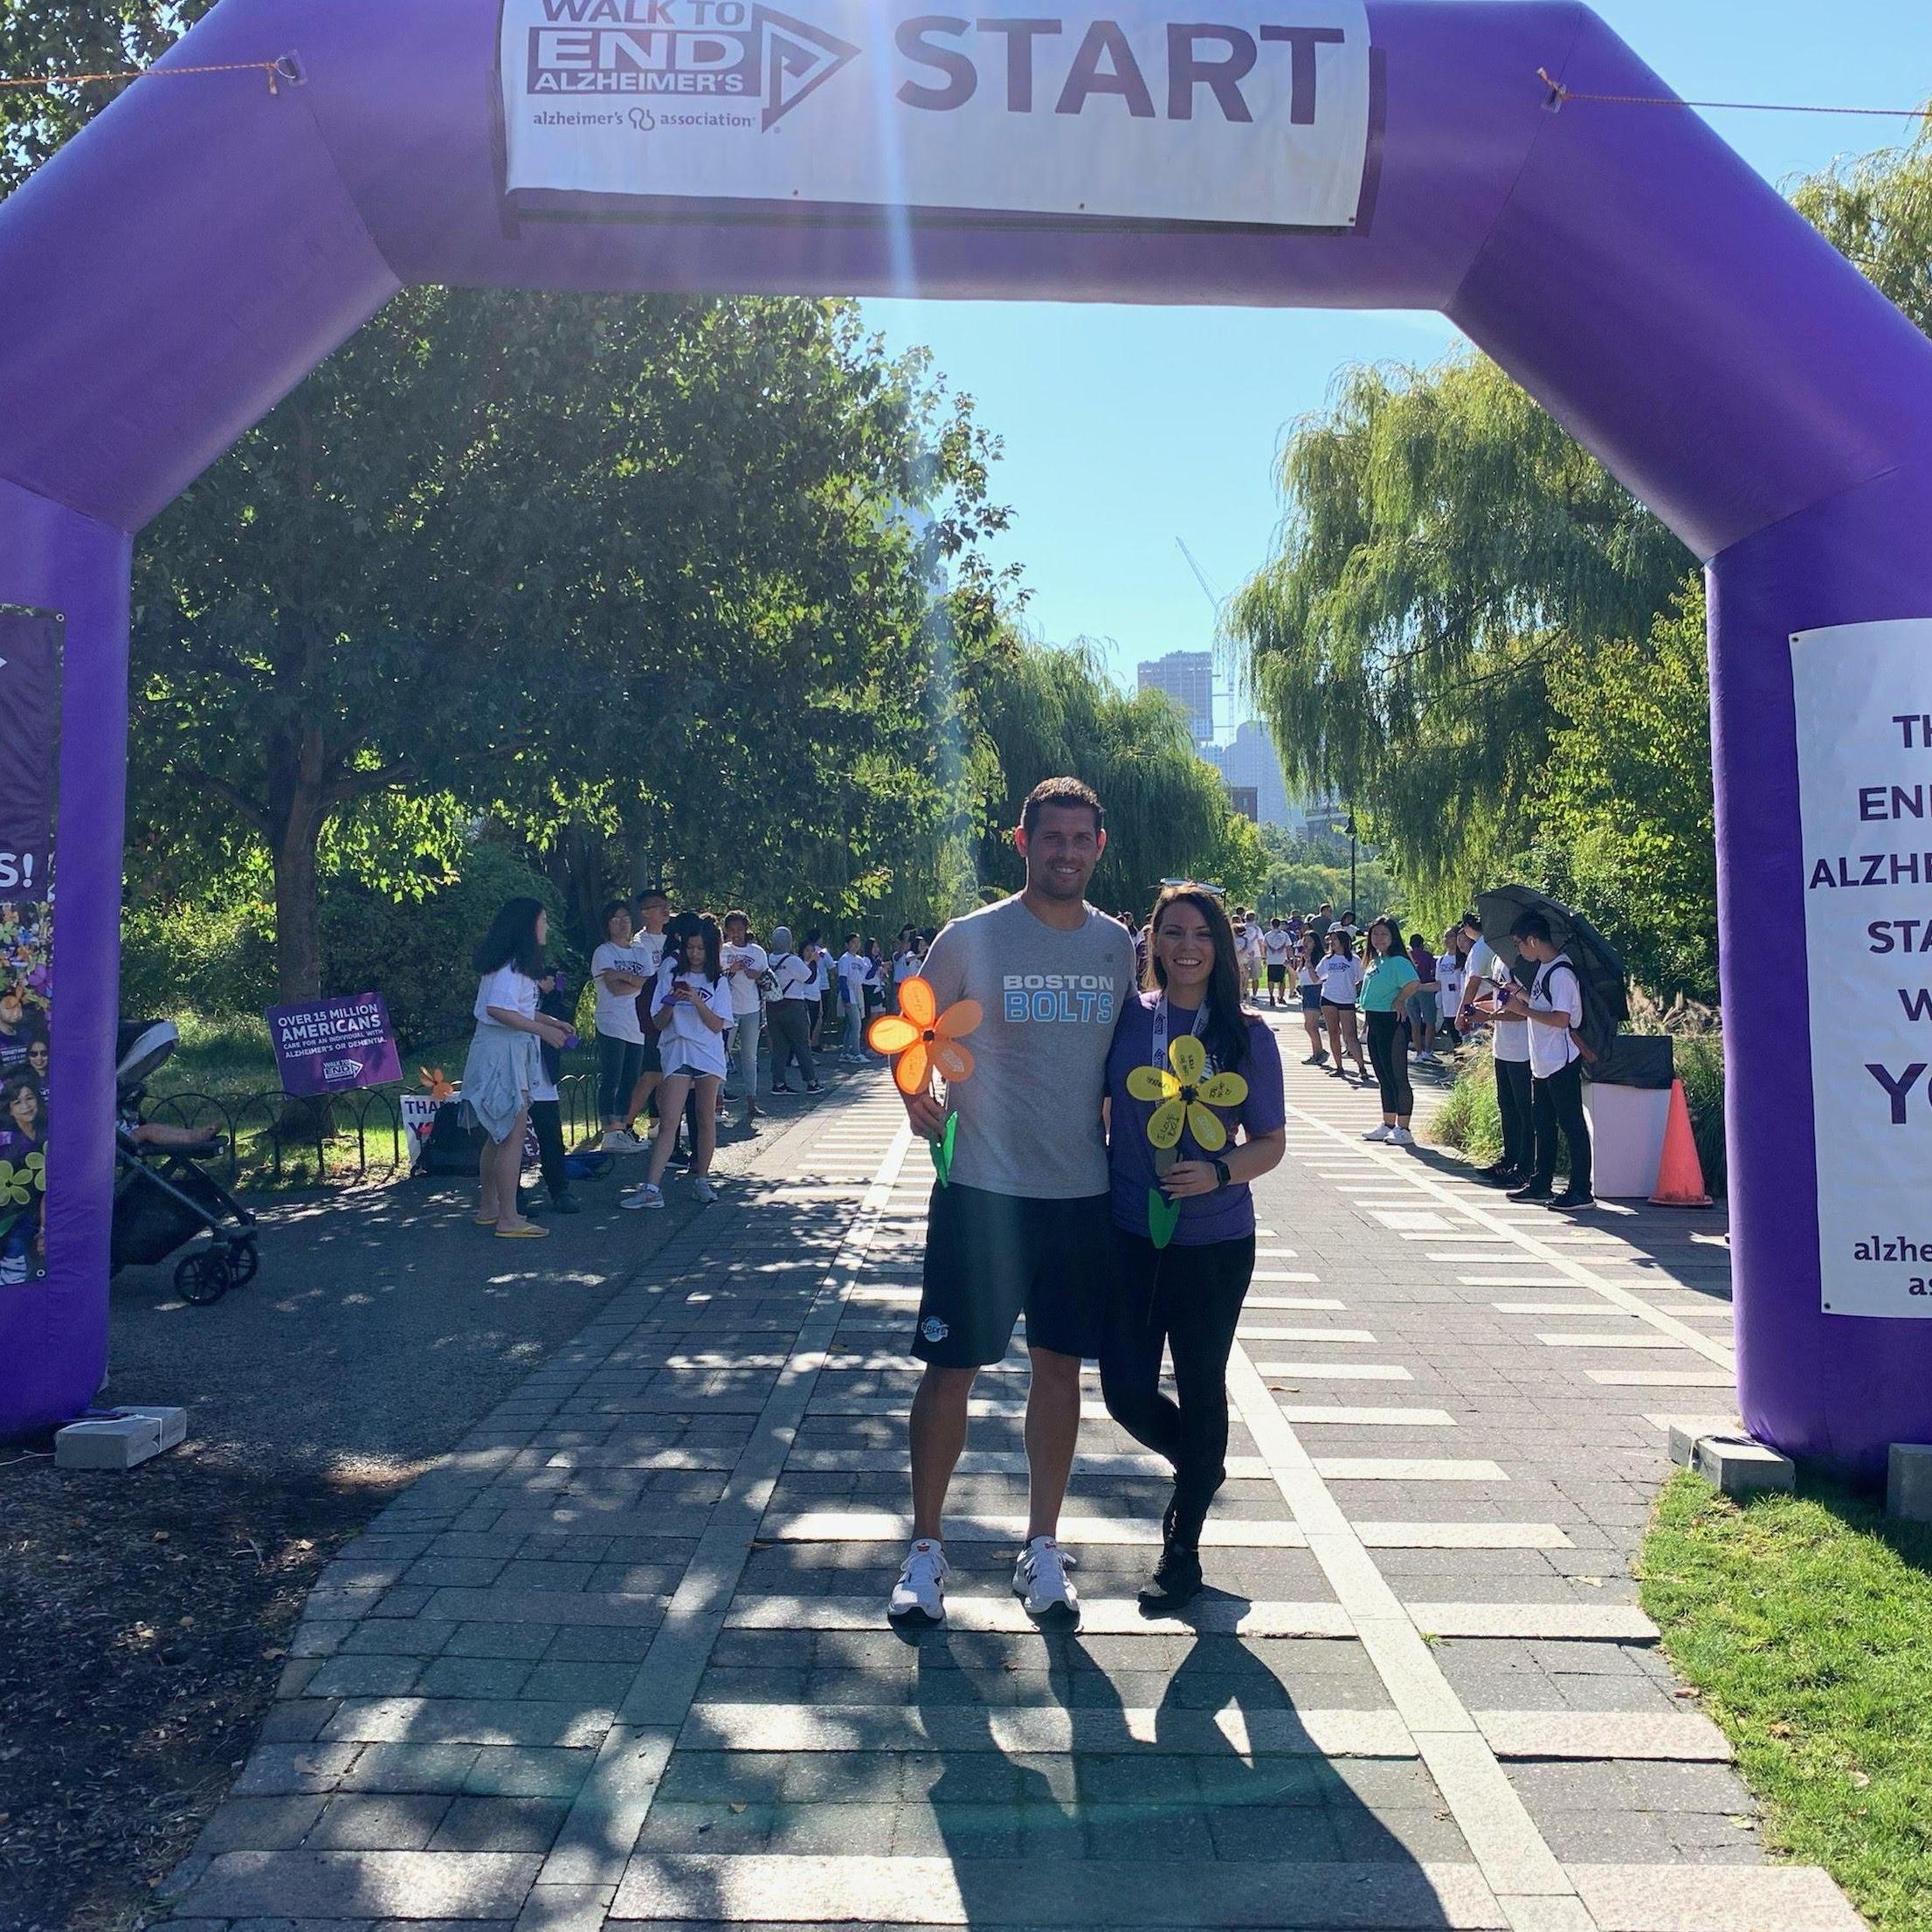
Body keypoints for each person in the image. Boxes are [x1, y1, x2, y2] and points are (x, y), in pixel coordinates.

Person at [889, 776, 1136, 1632]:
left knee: (1059, 1371)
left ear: (1098, 847)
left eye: (1080, 838)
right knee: (948, 1370)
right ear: (1020, 841)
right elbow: (915, 1033)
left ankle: (1041, 1546)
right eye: (1050, 837)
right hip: (981, 1194)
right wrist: (914, 1092)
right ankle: (925, 1548)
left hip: (1080, 1194)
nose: (1065, 851)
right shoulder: (971, 938)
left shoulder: (1117, 948)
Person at [1100, 885, 1286, 1610]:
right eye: (1171, 931)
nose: (1186, 945)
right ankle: (1201, 1466)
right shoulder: (1125, 1022)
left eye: (1201, 933)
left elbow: (1270, 1144)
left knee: (1201, 1381)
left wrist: (1216, 1170)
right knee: (1124, 1391)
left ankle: (1182, 1551)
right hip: (1127, 1230)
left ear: (1220, 946)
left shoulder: (1245, 1033)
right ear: (1152, 941)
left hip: (1214, 1240)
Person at [462, 897, 568, 1239]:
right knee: (511, 1134)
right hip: (502, 1054)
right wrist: (544, 1031)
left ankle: (490, 1207)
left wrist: (551, 1021)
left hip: (502, 1051)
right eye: (543, 920)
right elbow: (498, 1010)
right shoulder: (510, 968)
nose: (547, 927)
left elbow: (516, 1008)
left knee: (498, 1134)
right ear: (528, 926)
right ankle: (508, 1218)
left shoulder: (511, 967)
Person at [623, 916, 735, 1210]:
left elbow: (716, 1025)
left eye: (700, 949)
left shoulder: (719, 981)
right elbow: (657, 1021)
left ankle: (702, 1179)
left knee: (705, 1116)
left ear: (711, 950)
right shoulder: (669, 973)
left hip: (707, 1054)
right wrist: (672, 1000)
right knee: (670, 1119)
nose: (694, 954)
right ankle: (651, 1188)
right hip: (677, 1052)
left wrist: (696, 999)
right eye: (690, 948)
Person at [1503, 913, 1595, 1209]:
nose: (1519, 950)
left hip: (1562, 1059)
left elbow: (1561, 1018)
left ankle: (1581, 1190)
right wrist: (1521, 996)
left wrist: (1522, 1009)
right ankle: (1541, 1183)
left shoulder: (1562, 973)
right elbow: (1543, 1004)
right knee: (1542, 1122)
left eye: (1519, 944)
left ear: (1533, 940)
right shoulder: (1545, 968)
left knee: (1571, 1123)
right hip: (1542, 1060)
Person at [1460, 911, 1533, 1187]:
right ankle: (1510, 1159)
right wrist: (1478, 1009)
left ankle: (1526, 1166)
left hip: (1523, 1048)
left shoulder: (1523, 967)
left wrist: (1487, 1016)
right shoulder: (1498, 962)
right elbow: (1501, 1002)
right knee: (1507, 1106)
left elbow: (1524, 1011)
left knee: (1524, 1109)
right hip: (1502, 1047)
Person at [590, 900, 652, 1154]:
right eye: (616, 919)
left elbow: (649, 984)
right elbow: (612, 989)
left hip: (636, 1024)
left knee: (631, 1079)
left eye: (626, 917)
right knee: (612, 1078)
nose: (622, 923)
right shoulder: (604, 952)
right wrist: (633, 981)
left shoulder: (641, 952)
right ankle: (610, 1130)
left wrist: (624, 976)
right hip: (612, 1022)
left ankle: (624, 1127)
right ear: (607, 924)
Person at [1359, 915, 1420, 1144]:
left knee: (1397, 1075)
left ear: (1393, 936)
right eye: (1375, 934)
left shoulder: (1398, 961)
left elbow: (1413, 983)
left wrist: (1400, 1000)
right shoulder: (1375, 961)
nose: (1379, 938)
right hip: (1374, 1020)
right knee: (1383, 1075)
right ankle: (1388, 1123)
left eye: (1384, 934)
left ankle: (1404, 1129)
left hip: (1392, 1022)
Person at [528, 969, 581, 1214]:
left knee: (550, 1134)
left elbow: (561, 1015)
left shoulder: (553, 993)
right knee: (509, 1136)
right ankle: (511, 1194)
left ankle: (560, 1189)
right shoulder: (511, 974)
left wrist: (552, 995)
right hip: (516, 1063)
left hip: (544, 1070)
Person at [623, 887, 671, 1144]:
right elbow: (650, 974)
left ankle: (657, 1122)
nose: (665, 910)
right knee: (651, 1073)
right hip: (646, 1013)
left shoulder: (672, 938)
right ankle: (626, 1124)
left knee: (665, 1071)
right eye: (657, 906)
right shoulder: (639, 943)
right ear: (645, 914)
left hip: (668, 1011)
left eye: (665, 904)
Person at [720, 910, 769, 1131]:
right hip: (727, 1009)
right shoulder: (722, 951)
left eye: (740, 930)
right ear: (727, 931)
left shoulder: (757, 951)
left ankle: (752, 1101)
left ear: (746, 929)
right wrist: (730, 970)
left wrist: (756, 974)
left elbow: (767, 976)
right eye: (732, 930)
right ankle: (718, 1103)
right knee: (722, 1055)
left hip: (751, 1008)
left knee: (750, 1056)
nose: (736, 934)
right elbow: (714, 976)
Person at [765, 926, 822, 1096]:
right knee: (801, 1044)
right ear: (789, 943)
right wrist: (813, 961)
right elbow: (809, 978)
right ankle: (811, 1082)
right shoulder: (792, 960)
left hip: (772, 1005)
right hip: (793, 1005)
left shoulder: (768, 959)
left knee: (779, 1047)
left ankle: (779, 1083)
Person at [1314, 926, 1368, 1080]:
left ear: (1343, 941)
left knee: (1350, 1035)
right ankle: (1339, 1067)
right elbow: (1319, 976)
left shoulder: (1354, 960)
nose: (1332, 942)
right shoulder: (1327, 959)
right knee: (1333, 1033)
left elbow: (1360, 978)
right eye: (1331, 939)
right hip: (1328, 998)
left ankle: (1361, 1067)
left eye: (1335, 939)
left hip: (1346, 1000)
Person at [1294, 933, 1328, 1066]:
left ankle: (1319, 1053)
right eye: (1304, 941)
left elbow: (1317, 978)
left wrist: (1308, 961)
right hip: (1305, 990)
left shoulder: (1318, 958)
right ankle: (1317, 1053)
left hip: (1314, 990)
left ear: (1315, 943)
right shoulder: (1303, 958)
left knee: (1310, 1025)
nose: (1306, 943)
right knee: (1309, 1025)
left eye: (1309, 941)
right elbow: (1299, 975)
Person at [837, 935, 870, 1062]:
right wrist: (846, 999)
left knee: (851, 1025)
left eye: (858, 942)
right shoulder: (845, 959)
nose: (856, 945)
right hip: (849, 992)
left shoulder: (860, 959)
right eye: (853, 942)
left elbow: (868, 974)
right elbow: (842, 979)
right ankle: (856, 1053)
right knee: (856, 1024)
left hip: (858, 992)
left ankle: (845, 1053)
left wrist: (878, 963)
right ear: (847, 944)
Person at [1407, 930, 1439, 1062]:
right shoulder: (1428, 956)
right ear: (1422, 944)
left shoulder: (1407, 957)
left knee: (1415, 1022)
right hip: (1426, 988)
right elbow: (1434, 971)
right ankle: (1428, 1051)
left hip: (1410, 990)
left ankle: (1418, 1053)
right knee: (1430, 1021)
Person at [1261, 916, 1294, 1008]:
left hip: (1271, 960)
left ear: (1271, 925)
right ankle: (1281, 996)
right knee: (1282, 980)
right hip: (1281, 960)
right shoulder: (1284, 935)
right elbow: (1288, 947)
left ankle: (1271, 996)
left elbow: (1264, 947)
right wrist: (1290, 957)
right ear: (1279, 925)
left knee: (1270, 979)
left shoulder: (1267, 935)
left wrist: (1264, 958)